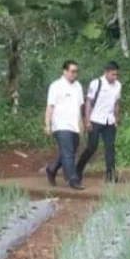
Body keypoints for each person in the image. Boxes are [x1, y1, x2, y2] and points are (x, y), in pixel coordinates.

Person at [76, 61, 123, 183]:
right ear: (106, 72)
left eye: (116, 75)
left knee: (110, 147)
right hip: (96, 119)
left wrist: (116, 118)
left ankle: (110, 175)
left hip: (109, 121)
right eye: (113, 74)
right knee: (92, 147)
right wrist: (87, 121)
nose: (115, 77)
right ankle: (78, 168)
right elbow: (89, 102)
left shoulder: (117, 85)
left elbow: (117, 103)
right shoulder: (96, 83)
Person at [44, 60, 86, 190]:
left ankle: (52, 169)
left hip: (74, 125)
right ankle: (72, 179)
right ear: (65, 71)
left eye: (76, 71)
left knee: (69, 152)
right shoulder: (56, 86)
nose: (75, 74)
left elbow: (80, 107)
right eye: (72, 71)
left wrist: (81, 123)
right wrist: (47, 124)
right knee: (68, 154)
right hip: (61, 125)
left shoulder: (78, 86)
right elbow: (50, 107)